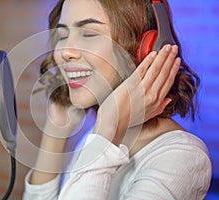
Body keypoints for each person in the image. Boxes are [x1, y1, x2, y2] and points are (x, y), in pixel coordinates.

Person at [23, 0, 212, 199]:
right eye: (63, 35)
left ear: (147, 49)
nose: (64, 52)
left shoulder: (181, 157)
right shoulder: (99, 137)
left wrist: (108, 128)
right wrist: (56, 130)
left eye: (89, 34)